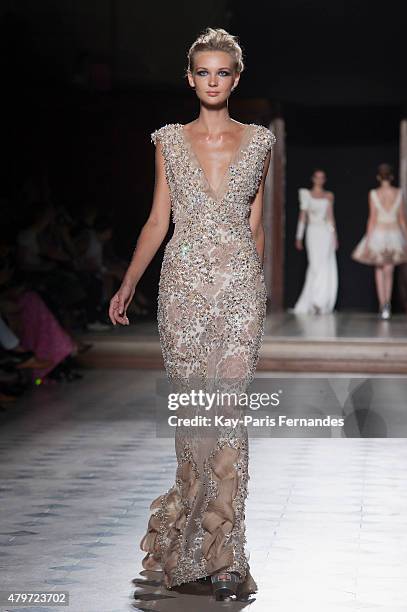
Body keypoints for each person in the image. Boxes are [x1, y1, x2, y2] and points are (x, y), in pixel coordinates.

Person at [109, 27, 275, 601]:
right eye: (202, 72)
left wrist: (254, 287)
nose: (212, 80)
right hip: (181, 290)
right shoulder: (168, 142)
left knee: (227, 417)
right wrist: (129, 281)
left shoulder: (259, 142)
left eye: (222, 72)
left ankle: (225, 555)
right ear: (190, 79)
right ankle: (188, 543)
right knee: (194, 423)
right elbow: (159, 220)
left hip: (236, 294)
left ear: (236, 78)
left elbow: (254, 222)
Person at [351, 163, 407, 319]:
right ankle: (386, 304)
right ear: (392, 176)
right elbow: (402, 219)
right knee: (389, 270)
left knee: (380, 270)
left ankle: (382, 304)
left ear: (378, 177)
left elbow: (372, 219)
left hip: (378, 234)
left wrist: (368, 241)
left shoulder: (374, 193)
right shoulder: (399, 193)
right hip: (394, 233)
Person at [292, 169, 339, 314]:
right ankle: (313, 300)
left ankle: (320, 301)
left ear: (324, 179)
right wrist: (299, 237)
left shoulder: (329, 195)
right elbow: (302, 217)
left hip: (325, 233)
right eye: (317, 177)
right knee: (314, 264)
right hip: (312, 232)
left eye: (322, 177)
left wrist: (334, 236)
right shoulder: (306, 194)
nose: (319, 180)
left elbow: (330, 217)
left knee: (324, 264)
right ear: (313, 178)